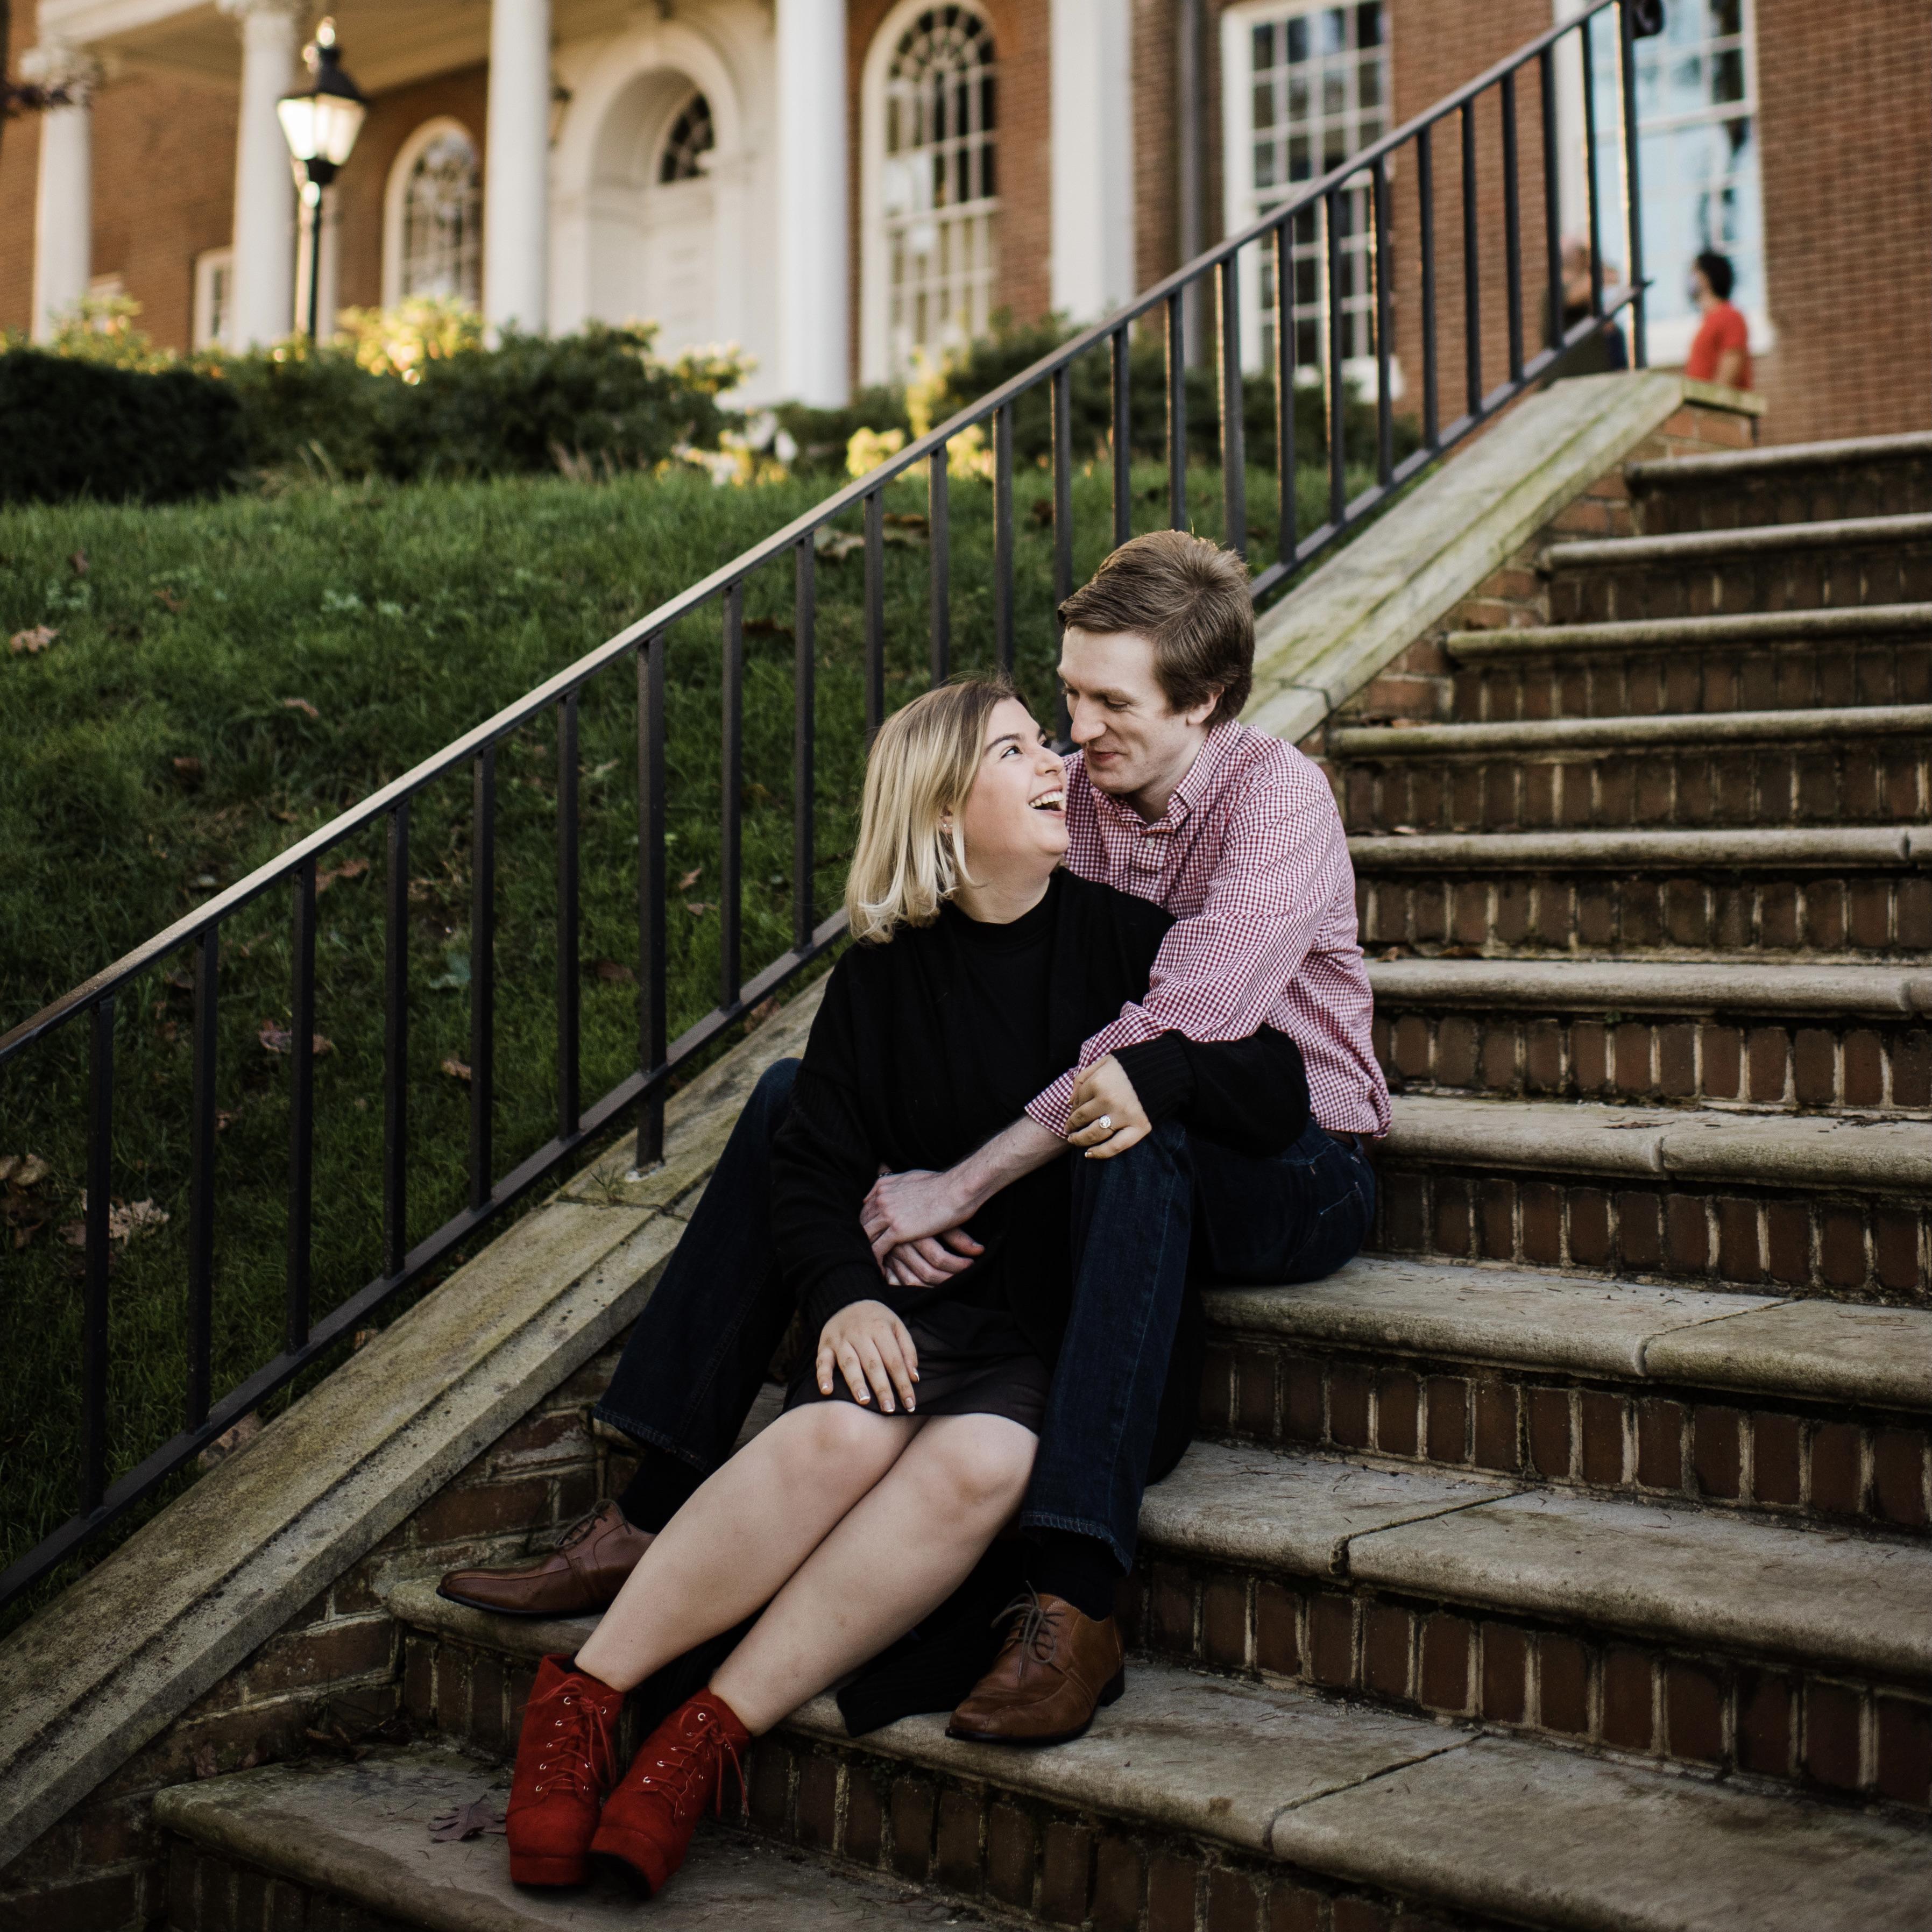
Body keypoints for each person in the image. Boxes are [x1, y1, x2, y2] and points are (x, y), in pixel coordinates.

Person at [442, 528, 1389, 1746]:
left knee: (1132, 1126)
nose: (1075, 733)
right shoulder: (1080, 793)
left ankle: (1076, 1592)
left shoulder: (1277, 800)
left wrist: (957, 1183)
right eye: (1067, 695)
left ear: (1202, 699)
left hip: (1293, 1153)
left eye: (1110, 703)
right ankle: (657, 1504)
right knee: (791, 1098)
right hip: (1100, 1134)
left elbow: (1172, 1035)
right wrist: (884, 1177)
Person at [500, 678, 1307, 1898]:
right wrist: (844, 1297)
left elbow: (1278, 1085)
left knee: (980, 1464)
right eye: (1015, 750)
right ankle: (584, 1699)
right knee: (834, 1435)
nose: (1057, 762)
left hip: (1049, 1334)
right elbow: (810, 1166)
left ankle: (698, 1743)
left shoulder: (1127, 941)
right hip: (918, 1316)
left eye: (1046, 741)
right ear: (940, 808)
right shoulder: (882, 976)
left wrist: (1168, 1073)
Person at [1685, 250, 1752, 391]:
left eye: (1693, 272)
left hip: (1718, 405)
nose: (1689, 278)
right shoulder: (1708, 321)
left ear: (1705, 277)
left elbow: (1730, 368)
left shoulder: (1730, 317)